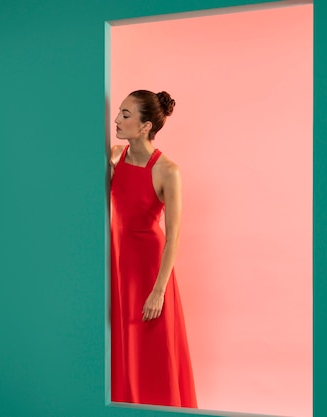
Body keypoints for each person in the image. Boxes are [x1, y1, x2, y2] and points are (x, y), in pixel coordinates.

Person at [110, 90, 197, 408]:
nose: (117, 120)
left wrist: (159, 290)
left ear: (145, 126)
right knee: (122, 345)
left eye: (126, 115)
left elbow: (174, 236)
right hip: (119, 263)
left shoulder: (167, 170)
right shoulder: (115, 156)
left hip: (149, 269)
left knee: (152, 347)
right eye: (119, 112)